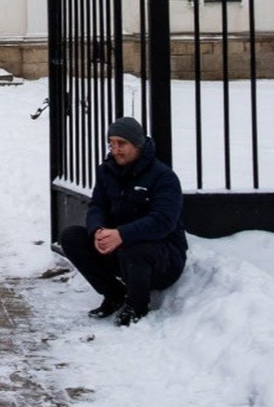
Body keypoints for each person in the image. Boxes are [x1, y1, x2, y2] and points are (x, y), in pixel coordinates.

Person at [59, 116, 188, 326]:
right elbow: (97, 206)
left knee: (134, 247)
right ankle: (114, 295)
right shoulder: (106, 171)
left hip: (161, 258)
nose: (116, 150)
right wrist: (97, 231)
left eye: (122, 144)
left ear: (137, 144)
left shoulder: (163, 177)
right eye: (112, 144)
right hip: (118, 248)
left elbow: (164, 221)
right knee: (71, 237)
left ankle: (137, 306)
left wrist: (122, 235)